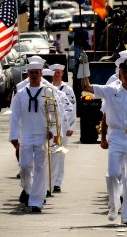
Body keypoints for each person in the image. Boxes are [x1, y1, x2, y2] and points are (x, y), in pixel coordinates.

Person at [78, 53, 127, 226]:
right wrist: (83, 66)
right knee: (113, 173)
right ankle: (114, 205)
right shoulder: (111, 90)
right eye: (124, 71)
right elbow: (86, 86)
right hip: (116, 135)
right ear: (119, 72)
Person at [9, 60, 60, 213]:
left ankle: (36, 201)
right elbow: (14, 116)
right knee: (24, 166)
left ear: (41, 74)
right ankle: (28, 189)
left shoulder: (48, 91)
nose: (33, 76)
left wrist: (54, 131)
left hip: (42, 135)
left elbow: (54, 113)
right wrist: (13, 136)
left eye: (36, 73)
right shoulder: (21, 94)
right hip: (25, 134)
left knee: (40, 168)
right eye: (31, 73)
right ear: (28, 74)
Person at [49, 64, 76, 193]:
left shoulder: (67, 90)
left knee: (60, 155)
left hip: (63, 127)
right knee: (49, 155)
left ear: (62, 74)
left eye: (58, 72)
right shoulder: (47, 88)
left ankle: (57, 182)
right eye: (54, 72)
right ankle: (49, 181)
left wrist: (71, 127)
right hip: (51, 127)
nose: (56, 74)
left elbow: (72, 109)